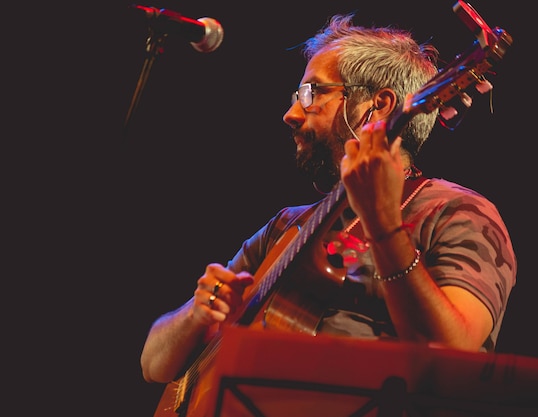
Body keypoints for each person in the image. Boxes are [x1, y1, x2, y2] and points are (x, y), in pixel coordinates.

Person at [140, 12, 516, 389]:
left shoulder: (457, 212)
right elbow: (153, 365)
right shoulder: (288, 226)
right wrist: (197, 314)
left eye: (312, 93)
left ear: (379, 105)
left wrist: (383, 224)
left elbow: (454, 357)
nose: (290, 114)